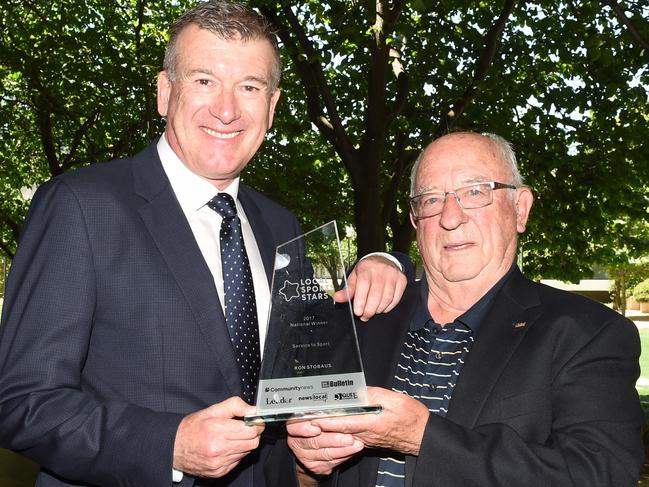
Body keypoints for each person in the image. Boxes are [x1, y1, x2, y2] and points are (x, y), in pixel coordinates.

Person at [0, 2, 410, 486]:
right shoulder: (81, 206)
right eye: (203, 80)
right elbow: (21, 401)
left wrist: (388, 261)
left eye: (250, 87)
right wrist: (168, 444)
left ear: (272, 107)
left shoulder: (281, 227)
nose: (227, 108)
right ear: (164, 91)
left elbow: (300, 381)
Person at [286, 132, 645, 486]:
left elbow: (601, 475)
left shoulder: (587, 333)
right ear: (415, 221)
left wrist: (422, 437)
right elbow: (293, 467)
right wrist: (306, 468)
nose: (450, 217)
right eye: (430, 199)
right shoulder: (361, 320)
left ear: (520, 208)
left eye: (475, 192)